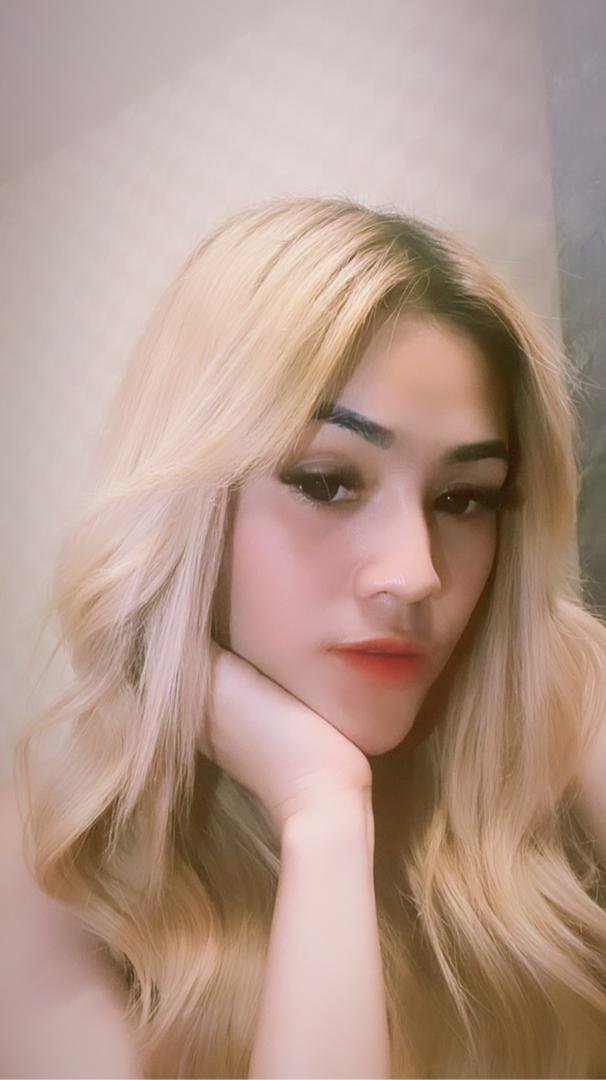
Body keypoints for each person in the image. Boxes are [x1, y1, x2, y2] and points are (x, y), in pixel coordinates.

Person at [2, 194, 605, 1079]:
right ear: (189, 501)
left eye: (464, 498)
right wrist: (322, 813)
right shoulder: (55, 852)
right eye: (326, 482)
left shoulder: (569, 694)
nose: (414, 574)